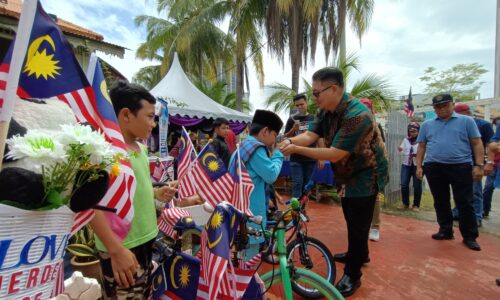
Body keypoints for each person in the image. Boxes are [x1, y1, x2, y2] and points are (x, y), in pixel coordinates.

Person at [280, 67, 388, 297]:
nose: (314, 98)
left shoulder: (357, 115)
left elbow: (335, 153)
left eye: (317, 93)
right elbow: (310, 135)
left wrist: (296, 148)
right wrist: (289, 141)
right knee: (351, 216)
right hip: (347, 172)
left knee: (358, 220)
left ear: (334, 89)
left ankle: (353, 274)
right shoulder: (325, 110)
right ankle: (359, 253)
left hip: (366, 173)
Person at [90, 81, 177, 299]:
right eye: (149, 116)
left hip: (146, 239)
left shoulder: (140, 148)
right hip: (122, 247)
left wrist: (156, 193)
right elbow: (89, 206)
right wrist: (115, 250)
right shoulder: (104, 152)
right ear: (126, 114)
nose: (153, 124)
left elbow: (133, 188)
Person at [416, 94, 483, 251]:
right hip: (434, 166)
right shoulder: (427, 125)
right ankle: (445, 230)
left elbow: (477, 143)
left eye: (445, 105)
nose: (442, 109)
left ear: (453, 105)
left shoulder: (466, 121)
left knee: (465, 201)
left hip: (460, 166)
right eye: (438, 107)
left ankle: (469, 236)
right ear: (434, 109)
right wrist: (419, 166)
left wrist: (479, 165)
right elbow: (421, 146)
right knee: (440, 200)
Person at [230, 109, 284, 261]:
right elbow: (271, 175)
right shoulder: (257, 148)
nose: (274, 141)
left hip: (238, 208)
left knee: (241, 254)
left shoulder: (242, 146)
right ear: (265, 131)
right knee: (248, 260)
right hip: (251, 213)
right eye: (274, 135)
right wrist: (279, 154)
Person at [451, 103, 493, 227]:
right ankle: (457, 212)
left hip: (475, 162)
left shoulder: (483, 125)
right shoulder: (455, 124)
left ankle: (477, 215)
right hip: (458, 162)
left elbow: (490, 144)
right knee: (458, 189)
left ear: (467, 112)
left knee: (475, 190)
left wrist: (487, 163)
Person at [360, 98, 385, 242]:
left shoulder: (377, 126)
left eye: (366, 108)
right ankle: (362, 226)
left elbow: (381, 150)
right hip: (357, 168)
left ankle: (375, 227)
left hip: (372, 167)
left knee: (374, 198)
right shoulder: (352, 125)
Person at [284, 93, 317, 199]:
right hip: (296, 157)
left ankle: (302, 210)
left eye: (301, 104)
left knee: (307, 186)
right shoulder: (292, 119)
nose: (300, 107)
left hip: (310, 156)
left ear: (306, 103)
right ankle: (295, 211)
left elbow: (319, 137)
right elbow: (285, 137)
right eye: (297, 105)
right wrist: (293, 129)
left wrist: (321, 157)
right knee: (297, 183)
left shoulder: (313, 118)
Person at [398, 122, 422, 211]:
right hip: (406, 165)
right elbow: (401, 149)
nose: (413, 132)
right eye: (411, 131)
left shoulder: (421, 141)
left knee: (417, 185)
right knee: (404, 184)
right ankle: (405, 203)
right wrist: (400, 149)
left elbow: (424, 153)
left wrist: (417, 156)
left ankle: (416, 205)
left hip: (417, 165)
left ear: (419, 131)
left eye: (415, 131)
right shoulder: (405, 140)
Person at [484, 117, 500, 217]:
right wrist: (490, 162)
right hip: (496, 164)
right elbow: (492, 145)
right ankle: (485, 210)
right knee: (488, 188)